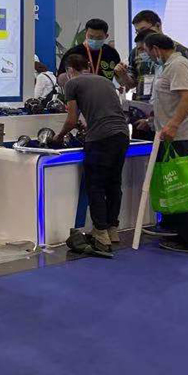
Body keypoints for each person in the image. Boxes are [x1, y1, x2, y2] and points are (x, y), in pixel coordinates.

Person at [57, 53, 131, 258]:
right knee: (114, 183)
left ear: (69, 70)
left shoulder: (72, 84)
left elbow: (71, 120)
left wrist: (59, 136)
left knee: (95, 185)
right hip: (122, 135)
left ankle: (100, 232)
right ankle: (112, 229)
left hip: (100, 138)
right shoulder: (104, 81)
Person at [141, 32, 188, 255]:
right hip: (171, 135)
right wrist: (152, 121)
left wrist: (173, 125)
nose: (147, 56)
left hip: (182, 137)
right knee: (173, 185)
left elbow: (187, 98)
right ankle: (176, 230)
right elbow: (171, 101)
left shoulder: (178, 65)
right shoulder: (169, 67)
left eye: (147, 51)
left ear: (156, 49)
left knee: (184, 186)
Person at [115, 9, 188, 93]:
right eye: (137, 32)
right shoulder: (136, 52)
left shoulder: (181, 51)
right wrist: (123, 75)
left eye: (143, 30)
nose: (141, 35)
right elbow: (132, 84)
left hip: (169, 99)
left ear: (158, 25)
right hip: (142, 99)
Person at [57, 18, 122, 82]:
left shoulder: (111, 52)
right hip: (80, 88)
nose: (95, 40)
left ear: (106, 36)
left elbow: (120, 79)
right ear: (85, 34)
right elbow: (60, 79)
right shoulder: (73, 53)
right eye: (91, 37)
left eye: (99, 37)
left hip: (105, 88)